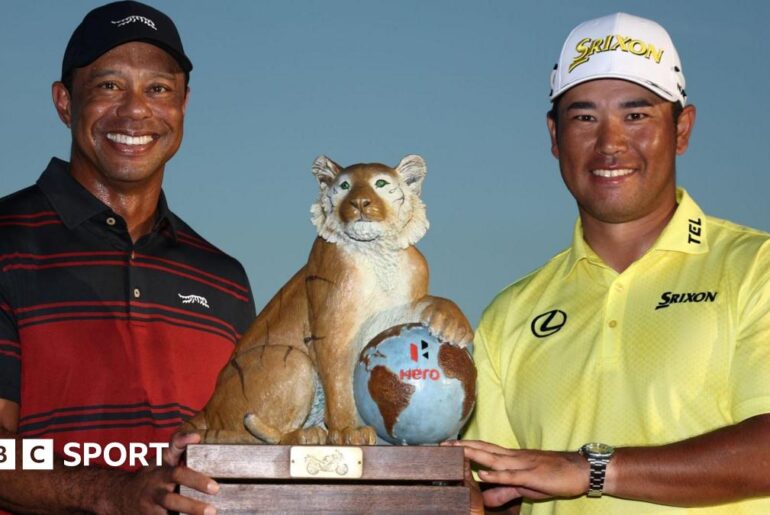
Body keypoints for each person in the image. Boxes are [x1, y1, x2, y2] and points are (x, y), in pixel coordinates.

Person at [454, 12, 770, 514]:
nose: (610, 143)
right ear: (554, 137)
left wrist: (594, 469)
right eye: (584, 117)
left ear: (682, 129)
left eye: (636, 115)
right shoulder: (509, 313)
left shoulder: (758, 268)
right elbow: (501, 492)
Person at [0, 1, 256, 513]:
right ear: (64, 102)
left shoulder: (225, 280)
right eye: (109, 85)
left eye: (158, 89)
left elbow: (244, 455)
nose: (136, 110)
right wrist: (112, 493)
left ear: (183, 105)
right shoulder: (6, 243)